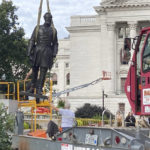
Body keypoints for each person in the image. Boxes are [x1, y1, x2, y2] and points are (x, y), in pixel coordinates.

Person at [27, 12, 58, 103]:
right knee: (35, 69)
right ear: (44, 18)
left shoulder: (53, 30)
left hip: (47, 52)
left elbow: (55, 43)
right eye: (47, 18)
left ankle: (39, 88)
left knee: (43, 72)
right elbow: (32, 40)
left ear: (51, 19)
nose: (48, 19)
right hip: (37, 51)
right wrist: (29, 52)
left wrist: (54, 53)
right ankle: (33, 87)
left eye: (50, 18)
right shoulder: (37, 28)